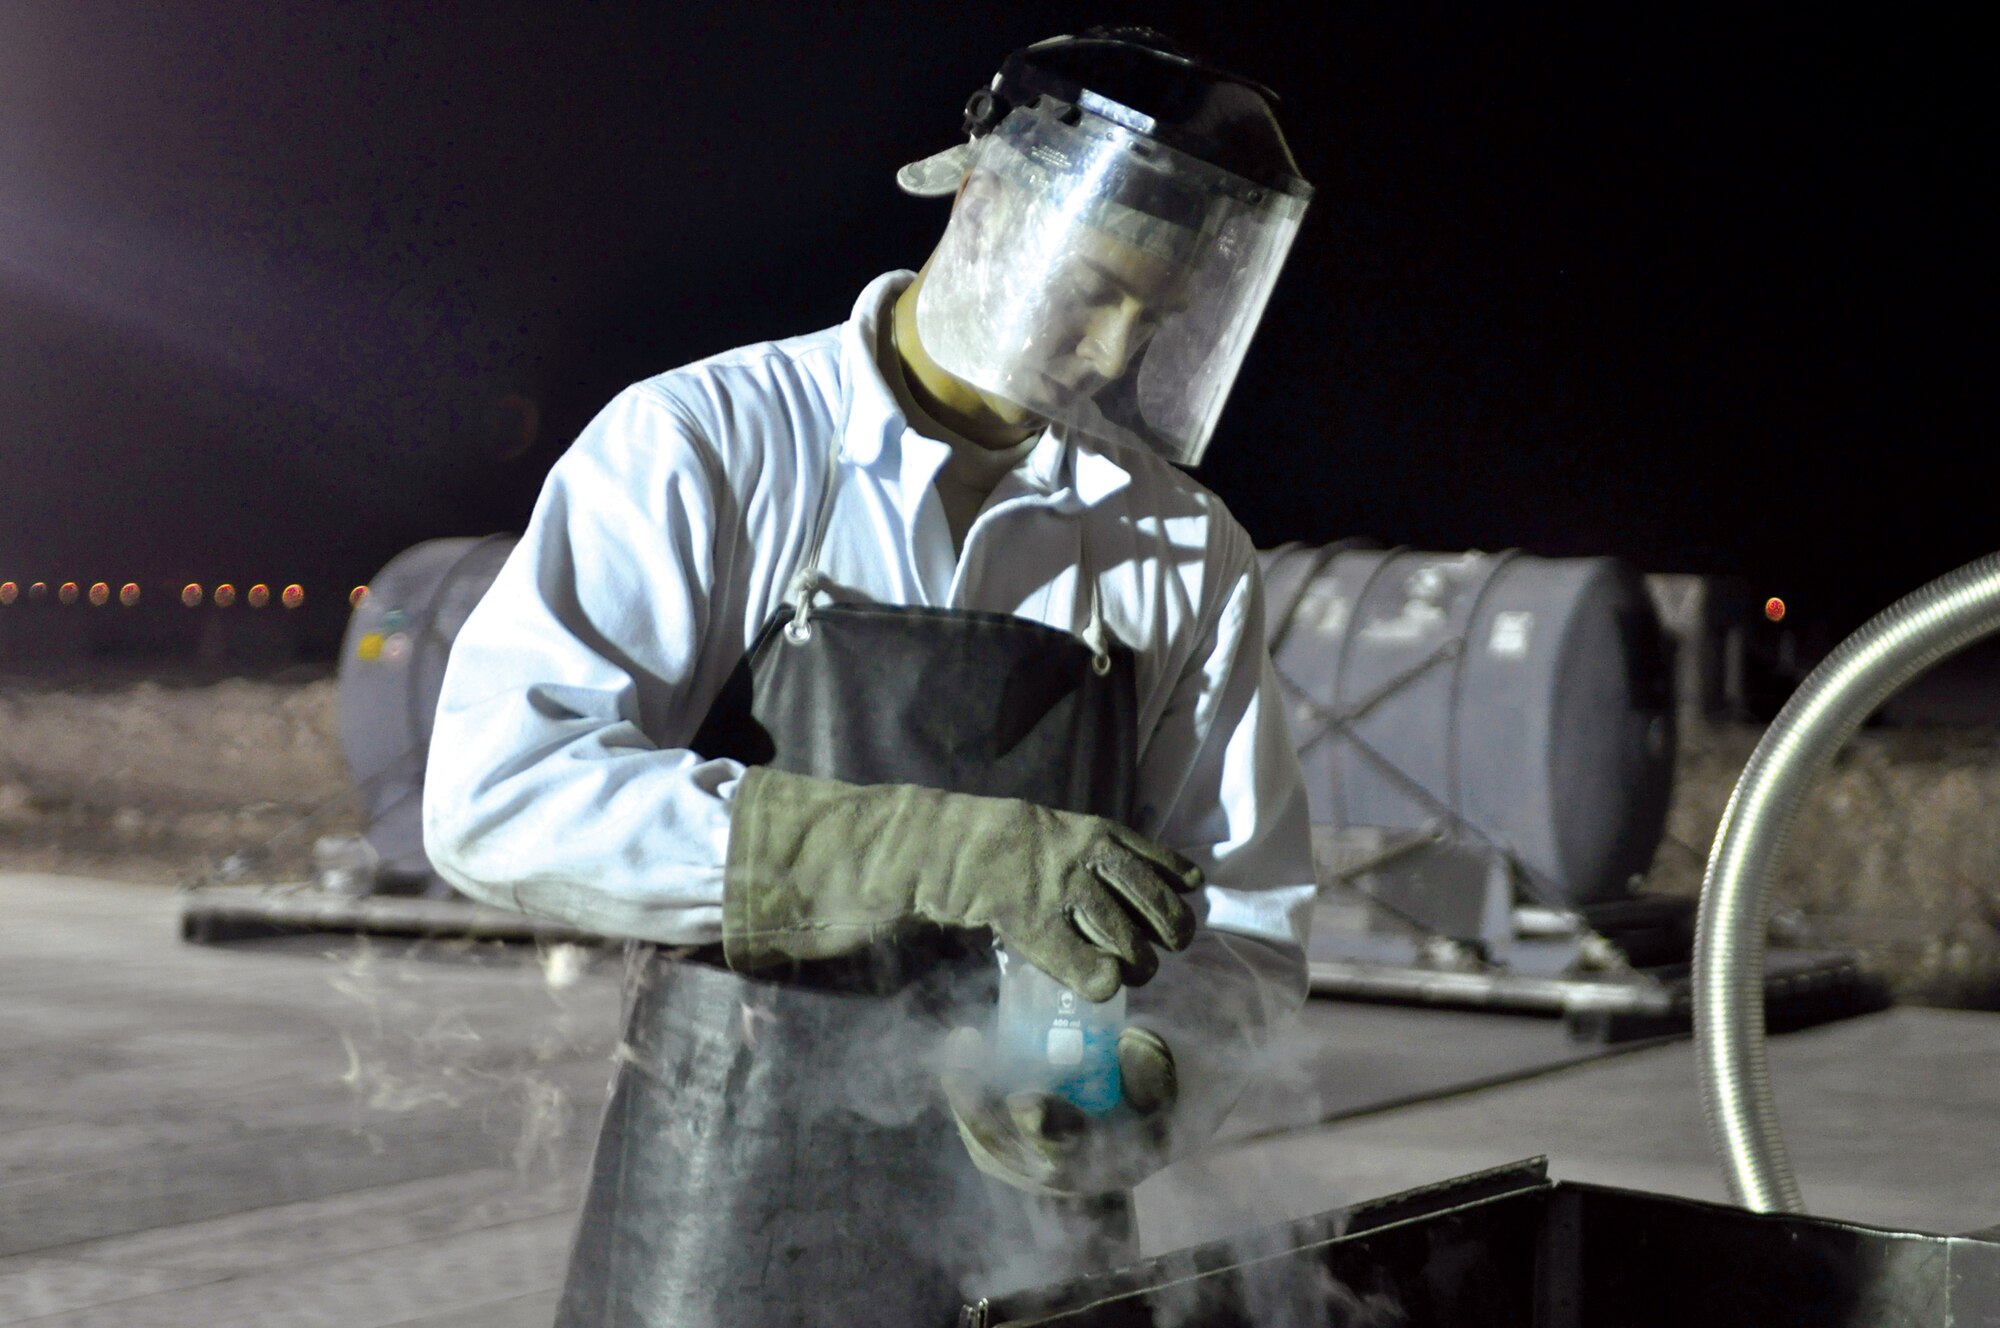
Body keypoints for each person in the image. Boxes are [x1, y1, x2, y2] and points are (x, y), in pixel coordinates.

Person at [422, 26, 1317, 1327]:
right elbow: (498, 797)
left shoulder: (1177, 544)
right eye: (1094, 289)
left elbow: (1241, 923)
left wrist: (1137, 1080)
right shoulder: (714, 444)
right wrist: (929, 849)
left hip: (1033, 1260)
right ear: (983, 194)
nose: (1116, 348)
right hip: (723, 1223)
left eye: (1159, 312)